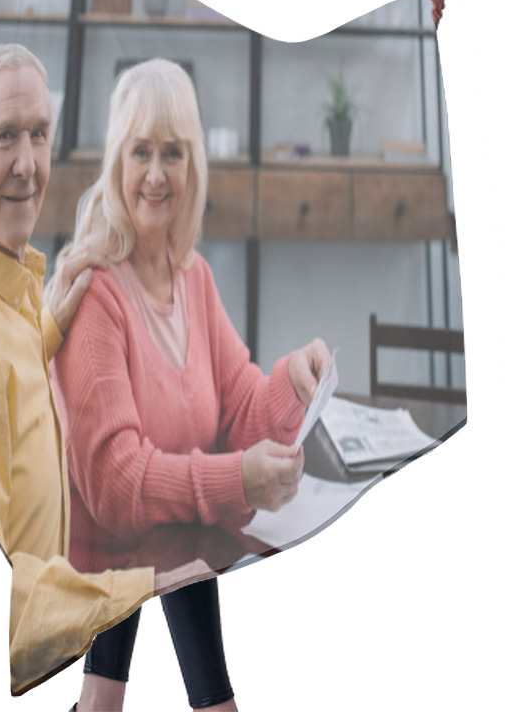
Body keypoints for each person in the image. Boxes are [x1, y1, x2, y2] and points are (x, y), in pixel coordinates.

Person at [0, 43, 208, 696]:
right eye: (6, 137)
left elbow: (7, 394)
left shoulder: (7, 285)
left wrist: (51, 327)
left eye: (40, 135)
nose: (29, 166)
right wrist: (142, 589)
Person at [51, 58, 332, 711]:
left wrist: (292, 380)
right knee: (185, 691)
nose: (155, 174)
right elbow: (119, 486)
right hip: (112, 553)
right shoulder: (98, 295)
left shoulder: (193, 278)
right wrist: (238, 480)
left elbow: (239, 406)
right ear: (118, 162)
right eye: (140, 151)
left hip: (171, 542)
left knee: (117, 695)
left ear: (192, 165)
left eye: (172, 153)